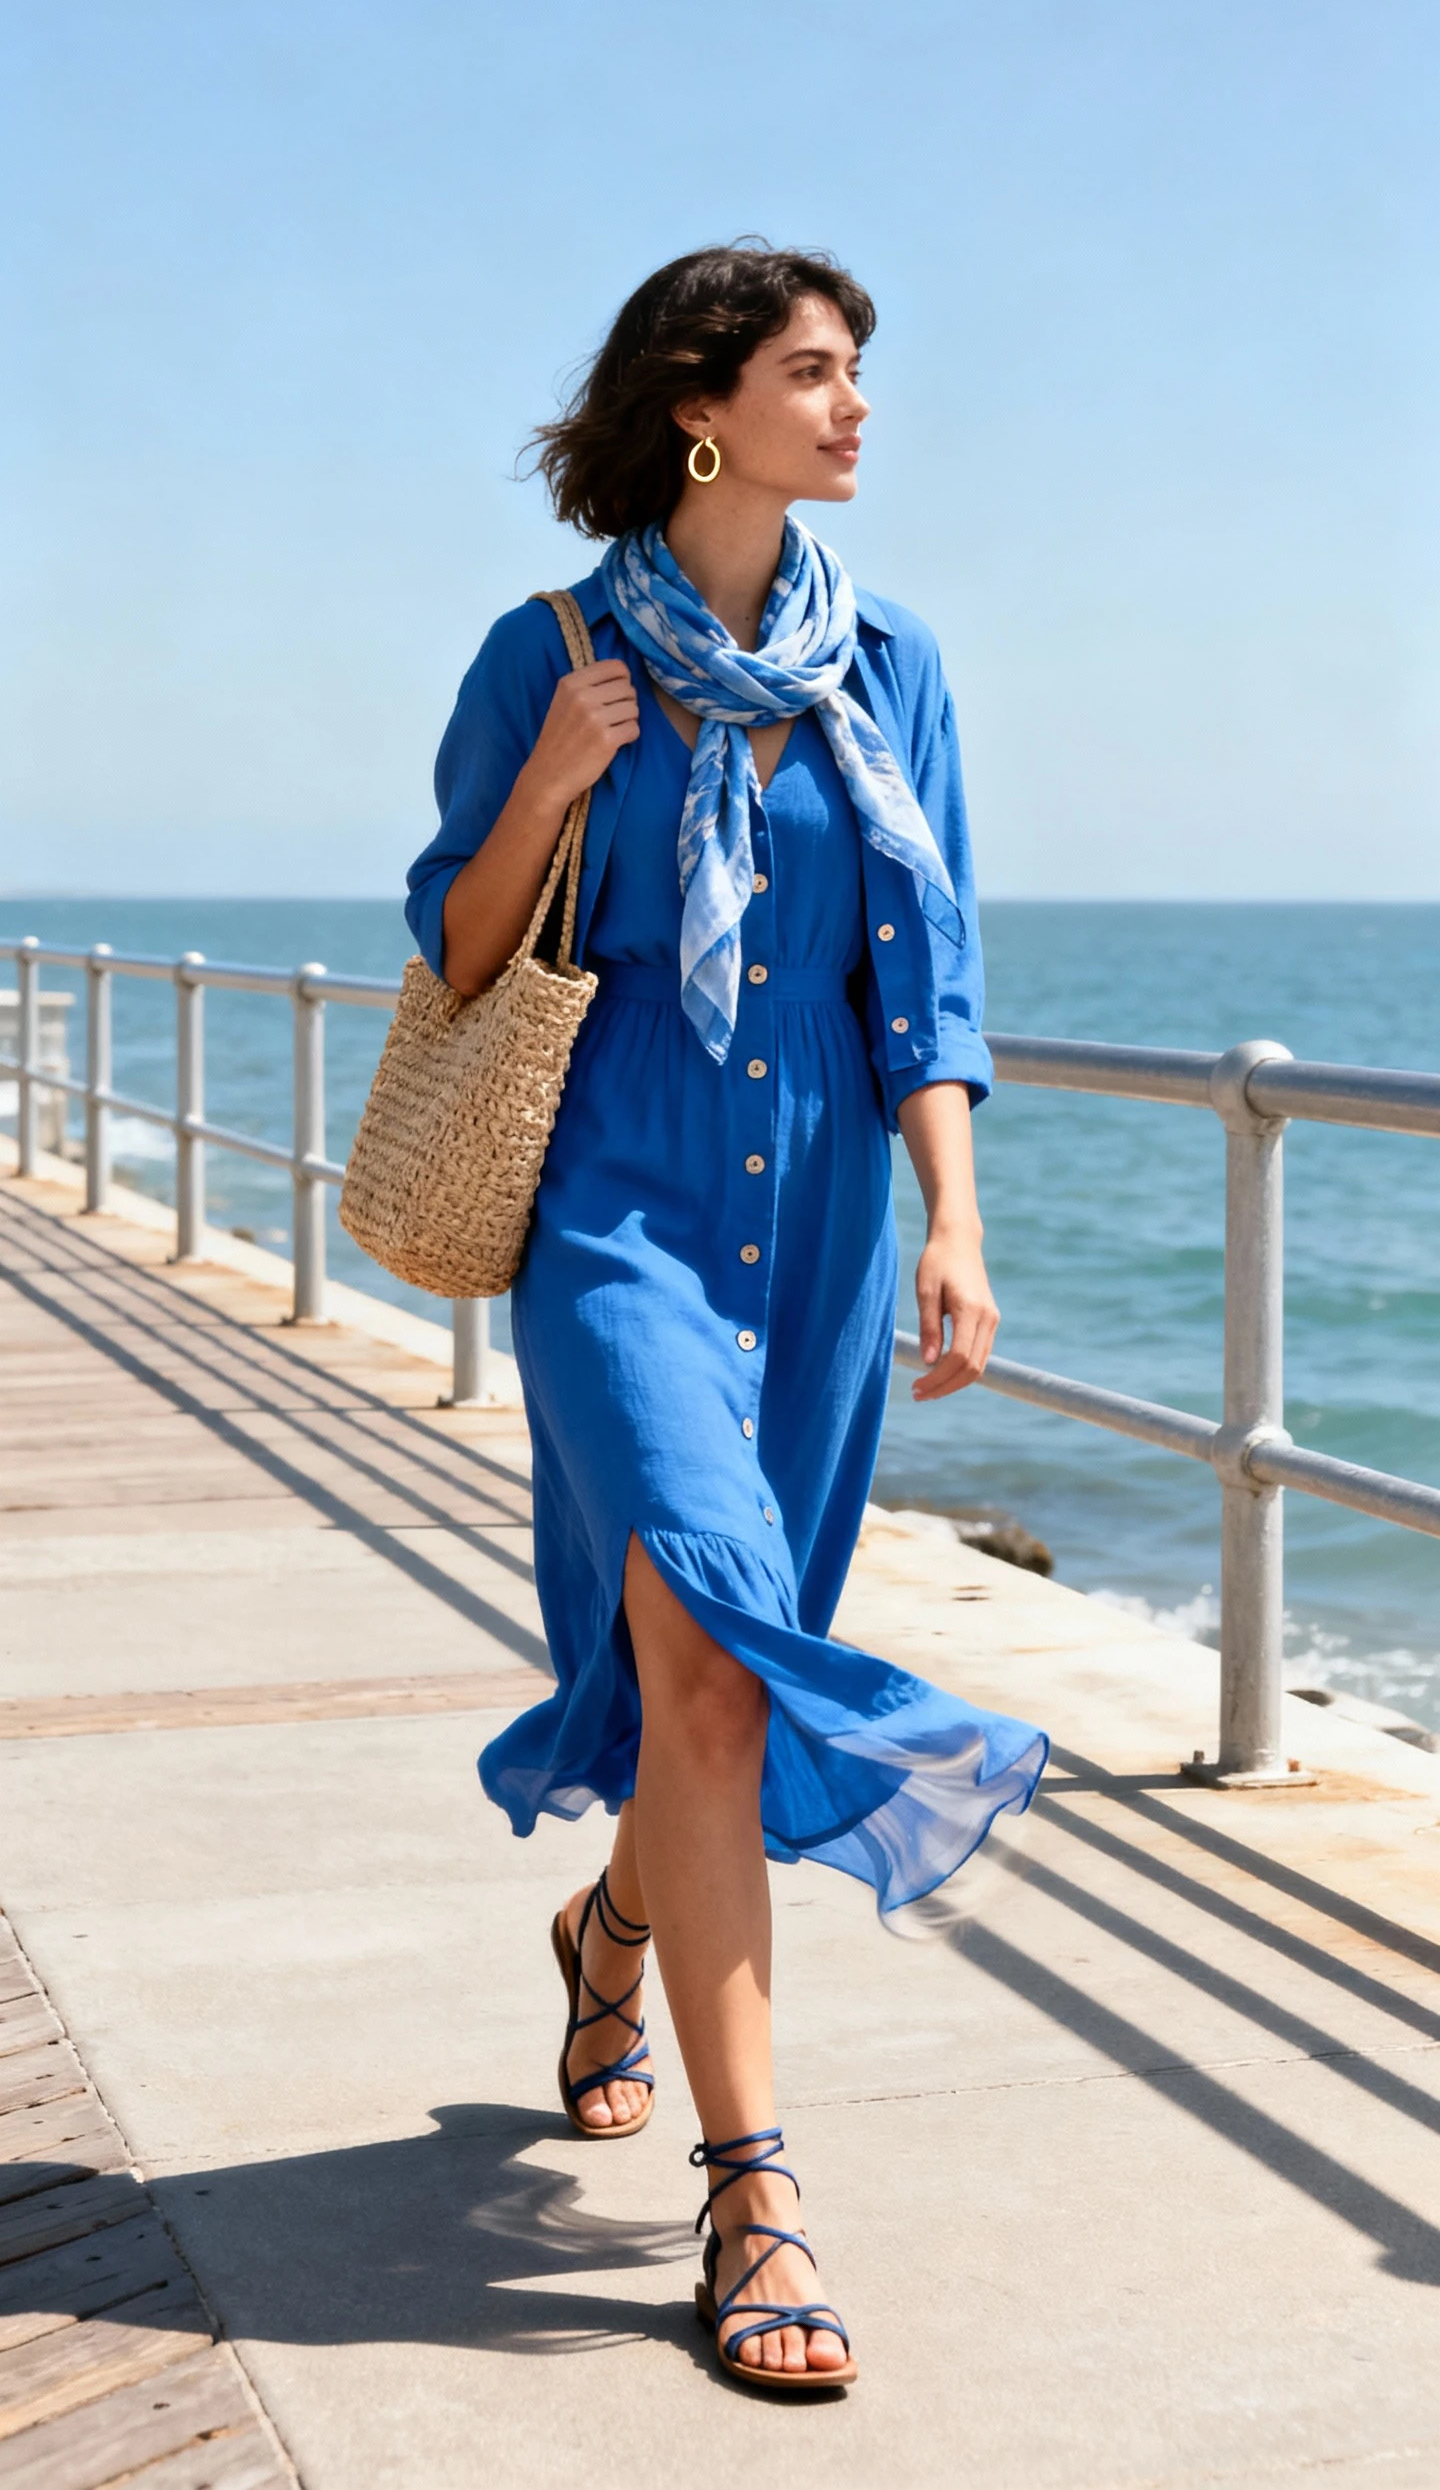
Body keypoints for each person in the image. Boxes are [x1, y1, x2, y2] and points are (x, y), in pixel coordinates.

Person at [405, 244, 1047, 2393]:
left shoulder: (896, 670)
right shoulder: (553, 650)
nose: (857, 407)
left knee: (715, 1680)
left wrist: (955, 1219)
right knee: (703, 1650)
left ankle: (612, 1930)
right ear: (705, 409)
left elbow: (925, 983)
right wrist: (551, 785)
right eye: (816, 371)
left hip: (825, 1251)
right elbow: (464, 941)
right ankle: (753, 2183)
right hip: (616, 1229)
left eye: (856, 372)